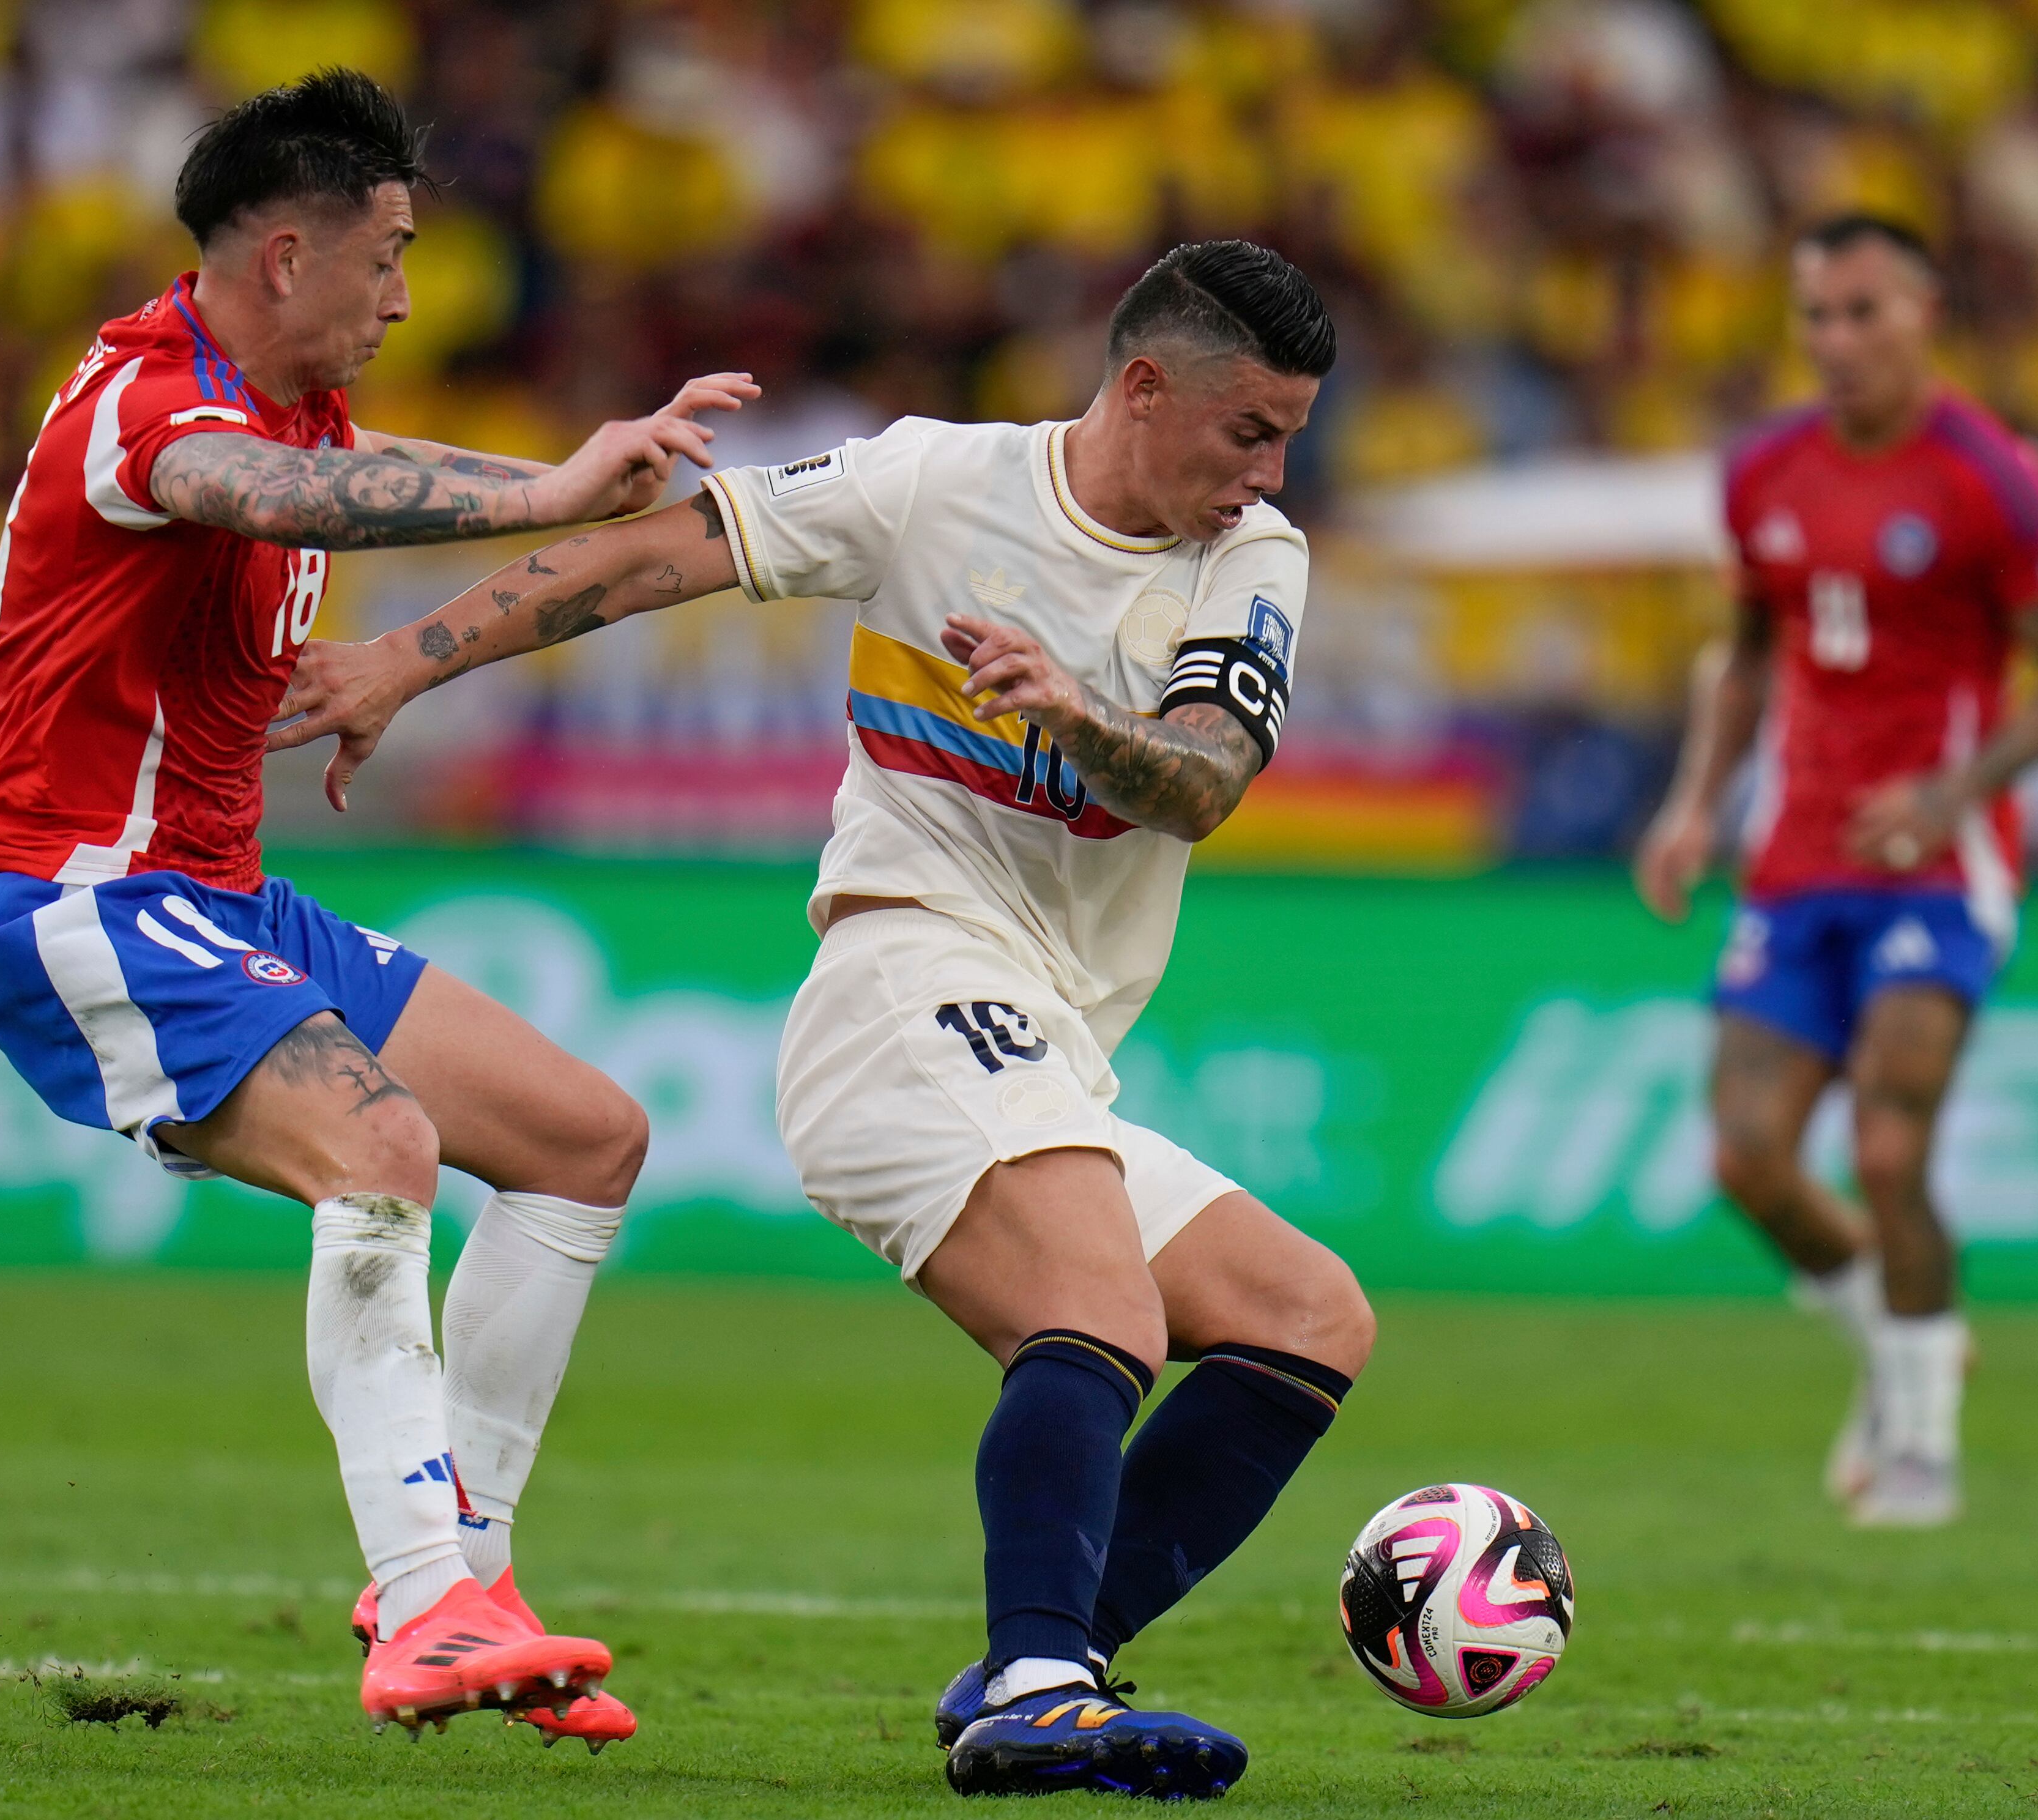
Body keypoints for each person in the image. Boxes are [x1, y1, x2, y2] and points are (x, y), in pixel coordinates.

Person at [271, 240, 1377, 1801]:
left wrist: (1071, 711)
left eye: (1288, 438)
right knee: (1103, 1311)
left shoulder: (1251, 557)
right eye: (1248, 430)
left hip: (1045, 1033)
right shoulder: (932, 485)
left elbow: (1199, 779)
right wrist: (400, 657)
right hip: (900, 986)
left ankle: (1034, 1657)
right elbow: (650, 559)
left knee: (1303, 1318)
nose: (1269, 472)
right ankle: (1047, 1692)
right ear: (1141, 387)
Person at [0, 68, 759, 1747]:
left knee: (584, 1137)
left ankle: (462, 1581)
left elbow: (348, 464)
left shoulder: (281, 407)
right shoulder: (145, 403)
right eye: (385, 256)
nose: (401, 292)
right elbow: (270, 497)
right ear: (284, 256)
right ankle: (425, 1599)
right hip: (71, 893)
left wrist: (570, 478)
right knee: (381, 1148)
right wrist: (542, 497)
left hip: (216, 897)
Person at [1635, 215, 2038, 1528]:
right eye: (1814, 315)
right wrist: (1691, 807)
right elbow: (1743, 655)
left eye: (1861, 311)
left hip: (1934, 865)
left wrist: (1952, 793)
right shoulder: (1762, 473)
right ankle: (1899, 1340)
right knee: (1745, 1159)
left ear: (1923, 313)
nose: (1834, 340)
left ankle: (1918, 1450)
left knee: (1887, 1144)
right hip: (1793, 863)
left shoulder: (1988, 478)